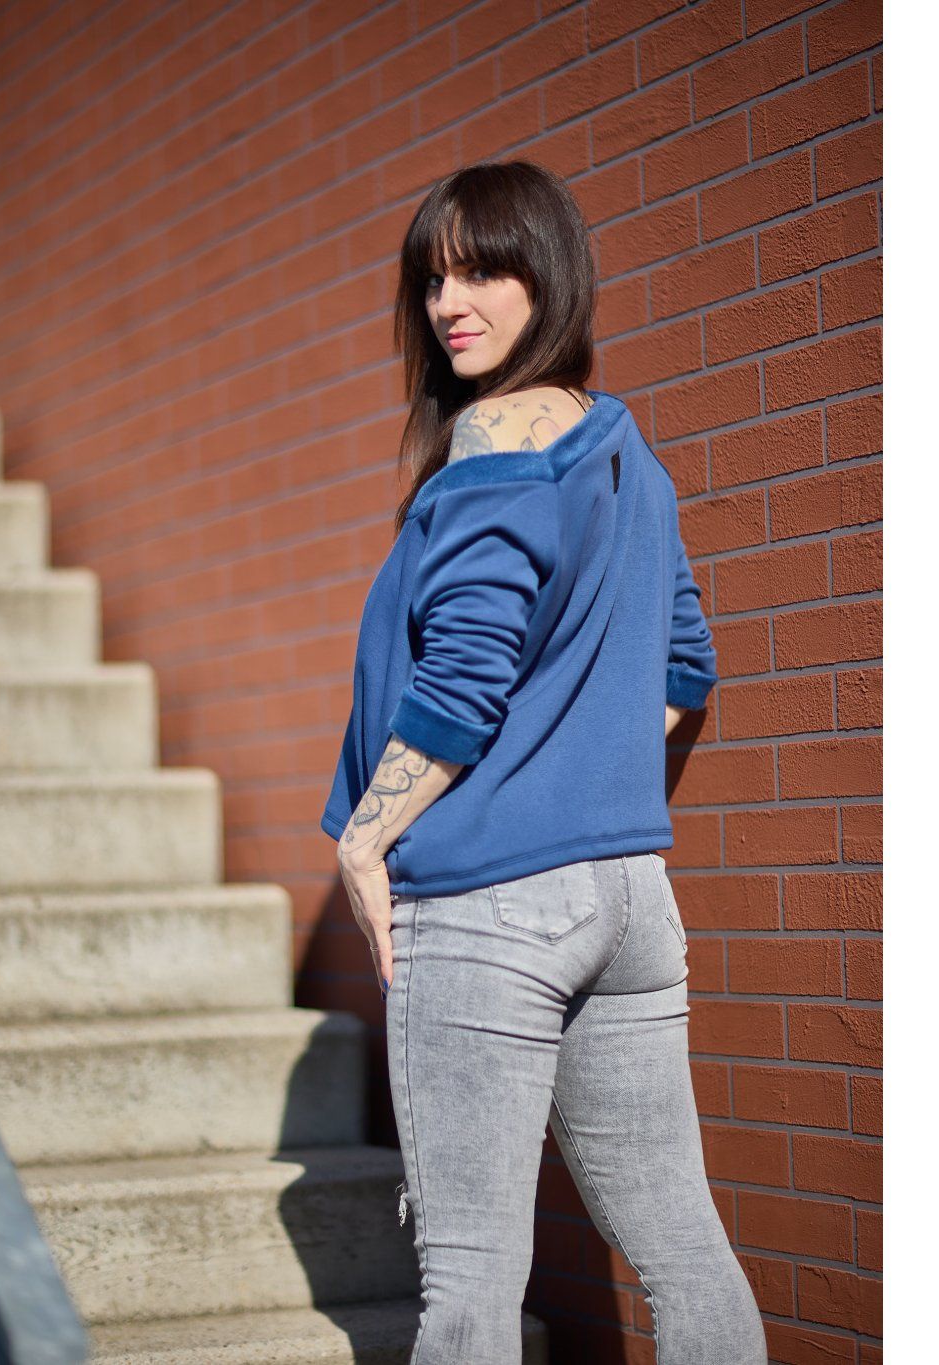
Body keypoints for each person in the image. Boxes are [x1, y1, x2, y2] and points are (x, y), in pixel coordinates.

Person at [320, 161, 768, 1365]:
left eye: (482, 271)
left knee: (467, 1290)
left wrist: (365, 838)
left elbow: (464, 681)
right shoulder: (625, 455)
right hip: (630, 903)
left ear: (548, 275)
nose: (448, 304)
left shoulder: (493, 434)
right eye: (431, 279)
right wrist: (576, 762)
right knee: (687, 1256)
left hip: (490, 907)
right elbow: (684, 670)